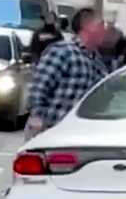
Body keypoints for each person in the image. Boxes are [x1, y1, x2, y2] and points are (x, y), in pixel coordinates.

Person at [24, 8, 108, 141]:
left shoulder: (98, 62)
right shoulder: (63, 51)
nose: (104, 30)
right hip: (51, 132)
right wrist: (37, 117)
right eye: (101, 25)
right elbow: (39, 87)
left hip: (79, 135)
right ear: (87, 26)